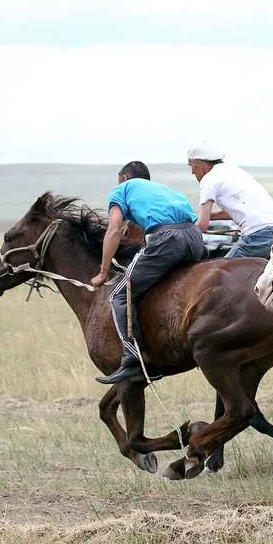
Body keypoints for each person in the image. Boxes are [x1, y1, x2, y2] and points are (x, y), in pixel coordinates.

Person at [90, 161, 205, 384]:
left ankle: (133, 360)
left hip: (168, 239)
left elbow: (114, 230)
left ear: (124, 178)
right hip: (194, 238)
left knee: (119, 295)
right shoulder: (165, 190)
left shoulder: (121, 190)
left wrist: (103, 272)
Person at [187, 142, 273, 259]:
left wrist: (183, 240)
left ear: (200, 162)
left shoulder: (209, 179)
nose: (192, 172)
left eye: (191, 166)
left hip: (258, 235)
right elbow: (236, 211)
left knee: (221, 273)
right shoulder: (233, 171)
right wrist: (200, 216)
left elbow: (202, 225)